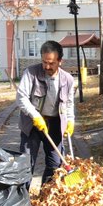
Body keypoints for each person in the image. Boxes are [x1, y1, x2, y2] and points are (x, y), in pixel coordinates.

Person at [17, 40, 75, 185]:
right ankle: (23, 201)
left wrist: (70, 120)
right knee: (26, 165)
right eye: (44, 62)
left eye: (51, 63)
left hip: (55, 124)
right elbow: (21, 97)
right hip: (32, 125)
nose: (47, 66)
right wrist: (35, 116)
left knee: (55, 165)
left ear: (60, 61)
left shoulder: (67, 79)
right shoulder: (31, 73)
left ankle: (45, 196)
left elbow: (68, 103)